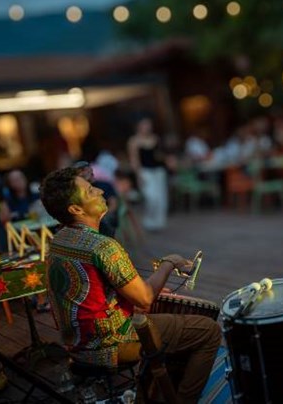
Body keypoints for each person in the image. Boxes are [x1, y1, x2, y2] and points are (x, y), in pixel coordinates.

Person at [39, 167, 221, 403]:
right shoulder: (102, 246)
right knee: (209, 331)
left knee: (169, 320)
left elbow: (92, 291)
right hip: (109, 345)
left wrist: (133, 298)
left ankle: (153, 393)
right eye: (91, 190)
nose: (100, 191)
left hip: (76, 345)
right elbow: (145, 298)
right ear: (75, 209)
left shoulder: (59, 241)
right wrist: (170, 262)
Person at [127, 118, 169, 231]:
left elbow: (161, 154)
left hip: (159, 171)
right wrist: (138, 175)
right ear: (138, 126)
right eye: (144, 125)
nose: (147, 127)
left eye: (148, 125)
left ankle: (158, 222)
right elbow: (134, 159)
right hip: (145, 171)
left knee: (161, 198)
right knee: (151, 197)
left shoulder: (155, 138)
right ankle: (149, 220)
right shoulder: (134, 141)